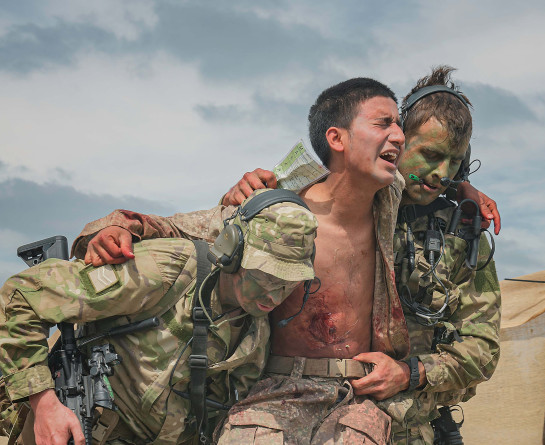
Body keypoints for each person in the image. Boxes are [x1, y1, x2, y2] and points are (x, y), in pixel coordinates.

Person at [70, 78, 412, 444]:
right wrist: (113, 227)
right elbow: (180, 227)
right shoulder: (276, 210)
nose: (399, 135)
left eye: (399, 124)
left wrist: (471, 193)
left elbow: (440, 174)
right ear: (337, 139)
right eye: (383, 123)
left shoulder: (392, 198)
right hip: (275, 392)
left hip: (360, 396)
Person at [213, 66, 502, 444]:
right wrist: (243, 192)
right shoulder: (332, 193)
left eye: (455, 163)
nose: (440, 174)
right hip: (290, 408)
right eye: (430, 155)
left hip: (404, 424)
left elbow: (482, 348)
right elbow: (248, 215)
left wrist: (410, 372)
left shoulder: (463, 233)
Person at [0, 191, 318, 445]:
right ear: (232, 251)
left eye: (288, 282)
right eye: (266, 276)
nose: (275, 295)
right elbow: (20, 296)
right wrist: (43, 404)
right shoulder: (165, 271)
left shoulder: (257, 335)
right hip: (68, 429)